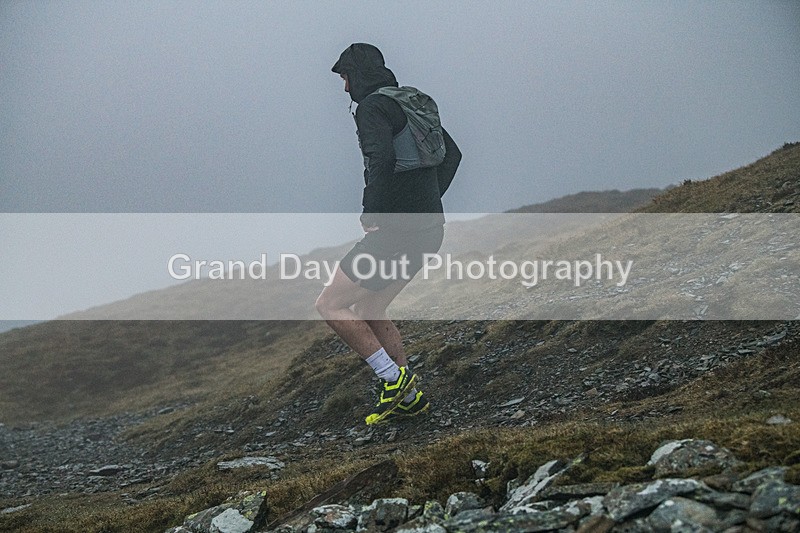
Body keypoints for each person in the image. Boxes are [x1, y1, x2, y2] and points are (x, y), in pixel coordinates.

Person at [316, 43, 461, 425]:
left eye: (345, 77)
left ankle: (391, 378)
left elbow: (381, 160)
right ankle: (410, 398)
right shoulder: (408, 103)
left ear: (357, 74)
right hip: (430, 229)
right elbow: (454, 154)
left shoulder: (372, 109)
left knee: (330, 305)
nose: (345, 88)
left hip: (395, 231)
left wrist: (373, 211)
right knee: (370, 307)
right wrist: (426, 200)